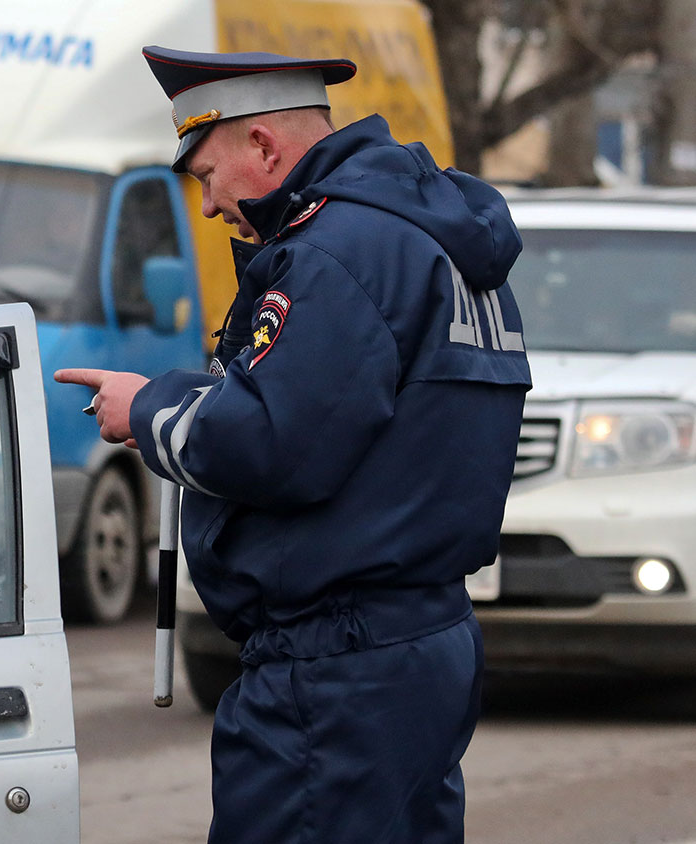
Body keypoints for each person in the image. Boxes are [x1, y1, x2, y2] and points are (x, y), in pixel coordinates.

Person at [55, 49, 531, 842]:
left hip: (335, 663)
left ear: (265, 149)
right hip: (419, 640)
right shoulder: (430, 237)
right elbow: (348, 417)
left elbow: (275, 442)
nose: (208, 207)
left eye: (208, 174)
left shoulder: (333, 251)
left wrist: (148, 411)